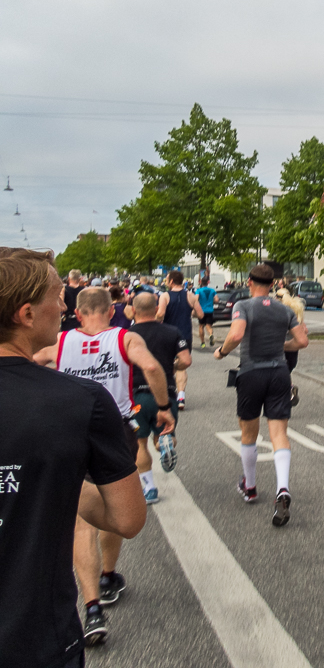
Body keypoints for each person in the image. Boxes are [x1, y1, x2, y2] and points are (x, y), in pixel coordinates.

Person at [0, 249, 146, 668]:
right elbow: (128, 518)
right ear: (27, 314)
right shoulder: (81, 403)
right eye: (58, 295)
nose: (65, 305)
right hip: (35, 637)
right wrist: (58, 481)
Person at [34, 287, 172, 647]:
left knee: (81, 523)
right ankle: (109, 575)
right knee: (113, 507)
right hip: (114, 432)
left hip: (69, 431)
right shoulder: (125, 337)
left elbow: (26, 364)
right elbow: (153, 366)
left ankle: (92, 606)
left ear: (77, 315)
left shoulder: (61, 343)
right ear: (112, 312)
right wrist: (164, 406)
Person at [215, 264, 308, 527]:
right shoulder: (285, 309)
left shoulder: (243, 306)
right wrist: (281, 345)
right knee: (279, 433)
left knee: (248, 433)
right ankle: (283, 489)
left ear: (249, 282)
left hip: (251, 373)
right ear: (272, 284)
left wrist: (222, 351)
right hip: (280, 373)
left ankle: (251, 486)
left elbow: (236, 334)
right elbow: (302, 342)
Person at [130, 293, 189, 504]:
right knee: (164, 431)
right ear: (156, 309)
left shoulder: (127, 334)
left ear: (133, 310)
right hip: (167, 393)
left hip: (136, 397)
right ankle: (165, 444)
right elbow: (186, 360)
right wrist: (170, 367)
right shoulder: (172, 331)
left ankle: (150, 488)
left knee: (139, 443)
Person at [156, 270, 203, 409]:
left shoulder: (165, 296)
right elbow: (200, 314)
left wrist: (154, 320)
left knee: (166, 365)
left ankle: (167, 394)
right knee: (181, 366)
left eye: (166, 279)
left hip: (168, 335)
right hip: (185, 336)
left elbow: (161, 314)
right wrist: (189, 313)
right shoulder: (191, 296)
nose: (165, 281)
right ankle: (181, 396)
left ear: (171, 281)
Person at [276, 285, 306, 407]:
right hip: (294, 347)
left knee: (279, 372)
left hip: (282, 346)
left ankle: (287, 392)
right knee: (286, 370)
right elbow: (304, 329)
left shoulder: (279, 311)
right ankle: (289, 389)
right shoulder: (296, 309)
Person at [195, 276, 219, 348]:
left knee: (201, 326)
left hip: (202, 311)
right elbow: (217, 300)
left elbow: (196, 299)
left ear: (201, 282)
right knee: (208, 326)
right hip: (210, 310)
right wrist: (211, 301)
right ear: (208, 282)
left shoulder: (198, 290)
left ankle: (203, 343)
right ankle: (211, 335)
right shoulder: (212, 290)